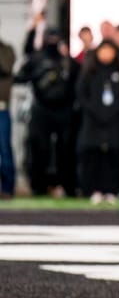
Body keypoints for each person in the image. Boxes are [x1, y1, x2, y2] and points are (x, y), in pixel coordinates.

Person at [14, 29, 80, 197]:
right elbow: (20, 77)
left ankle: (66, 185)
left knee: (64, 149)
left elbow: (78, 83)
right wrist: (38, 75)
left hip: (64, 110)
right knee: (39, 147)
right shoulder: (37, 59)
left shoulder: (67, 61)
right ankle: (39, 186)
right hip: (41, 108)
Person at [75, 40, 119, 204]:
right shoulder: (89, 72)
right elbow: (81, 95)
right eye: (103, 50)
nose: (106, 54)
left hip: (114, 122)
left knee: (113, 156)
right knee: (93, 156)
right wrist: (96, 111)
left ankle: (111, 190)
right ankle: (93, 190)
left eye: (110, 50)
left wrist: (113, 111)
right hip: (93, 122)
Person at [0, 25, 16, 198]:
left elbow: (6, 68)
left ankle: (7, 189)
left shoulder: (6, 50)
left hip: (1, 109)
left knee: (5, 149)